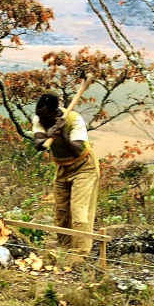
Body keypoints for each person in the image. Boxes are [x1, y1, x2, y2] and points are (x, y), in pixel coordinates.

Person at [32, 92, 100, 257]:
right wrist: (49, 134)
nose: (42, 120)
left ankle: (80, 253)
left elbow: (77, 150)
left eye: (46, 117)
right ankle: (64, 249)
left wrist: (63, 134)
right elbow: (39, 144)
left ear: (55, 113)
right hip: (63, 167)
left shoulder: (74, 120)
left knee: (78, 210)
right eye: (40, 116)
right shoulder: (39, 119)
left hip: (84, 167)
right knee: (61, 211)